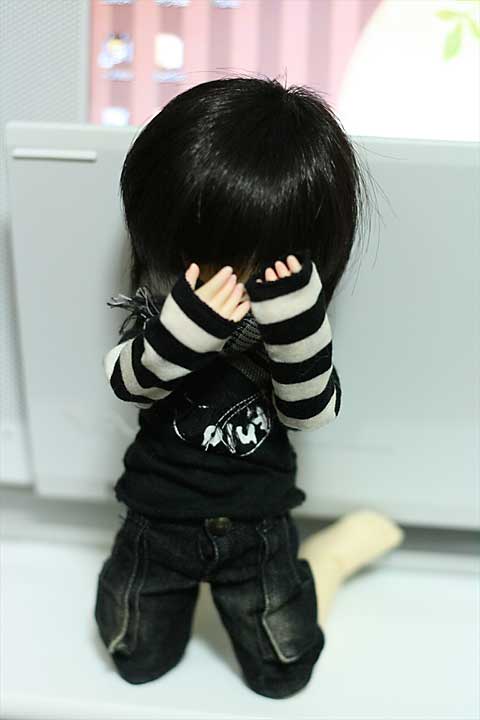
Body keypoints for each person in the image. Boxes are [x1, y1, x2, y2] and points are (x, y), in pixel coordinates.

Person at [94, 76, 403, 699]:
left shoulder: (285, 334)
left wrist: (299, 331)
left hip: (257, 527)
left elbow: (312, 411)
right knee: (134, 659)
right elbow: (128, 382)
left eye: (258, 263)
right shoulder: (160, 320)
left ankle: (328, 560)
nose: (231, 279)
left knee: (284, 674)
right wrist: (185, 332)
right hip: (157, 523)